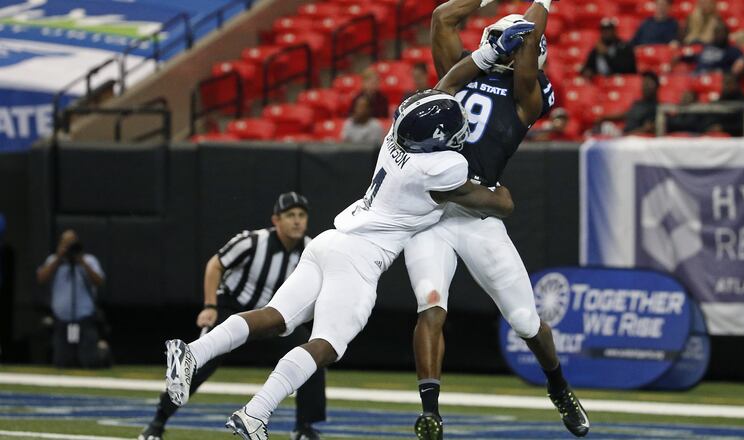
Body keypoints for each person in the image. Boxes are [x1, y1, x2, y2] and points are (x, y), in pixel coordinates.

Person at [162, 26, 530, 438]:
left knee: (277, 318)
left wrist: (487, 54)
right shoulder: (444, 168)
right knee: (328, 344)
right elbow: (503, 205)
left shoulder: (398, 133)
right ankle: (254, 414)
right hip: (360, 259)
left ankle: (192, 351)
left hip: (331, 240)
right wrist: (497, 185)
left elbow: (445, 86)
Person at [414, 0, 589, 438]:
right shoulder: (463, 69)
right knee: (431, 305)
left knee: (526, 321)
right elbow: (442, 18)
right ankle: (430, 411)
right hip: (430, 214)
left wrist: (540, 5)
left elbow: (527, 51)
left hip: (478, 215)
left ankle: (559, 387)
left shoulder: (528, 93)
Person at [139, 192, 326, 440]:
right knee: (199, 364)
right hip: (233, 308)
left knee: (311, 353)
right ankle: (157, 423)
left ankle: (304, 427)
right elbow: (215, 265)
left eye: (301, 215)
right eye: (290, 215)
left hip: (273, 319)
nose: (297, 221)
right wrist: (210, 306)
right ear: (275, 220)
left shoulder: (310, 250)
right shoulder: (252, 242)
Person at [36, 230, 105, 368]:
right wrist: (59, 257)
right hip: (62, 320)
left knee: (89, 362)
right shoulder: (53, 261)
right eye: (66, 243)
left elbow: (99, 281)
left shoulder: (88, 260)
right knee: (62, 361)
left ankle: (103, 351)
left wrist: (81, 262)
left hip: (84, 319)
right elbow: (41, 278)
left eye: (72, 243)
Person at [598, 71, 661, 135]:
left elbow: (647, 129)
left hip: (635, 139)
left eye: (648, 84)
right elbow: (626, 114)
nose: (645, 87)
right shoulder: (638, 103)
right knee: (604, 127)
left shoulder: (656, 108)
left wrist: (625, 136)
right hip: (624, 135)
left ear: (656, 87)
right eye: (644, 83)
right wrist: (603, 118)